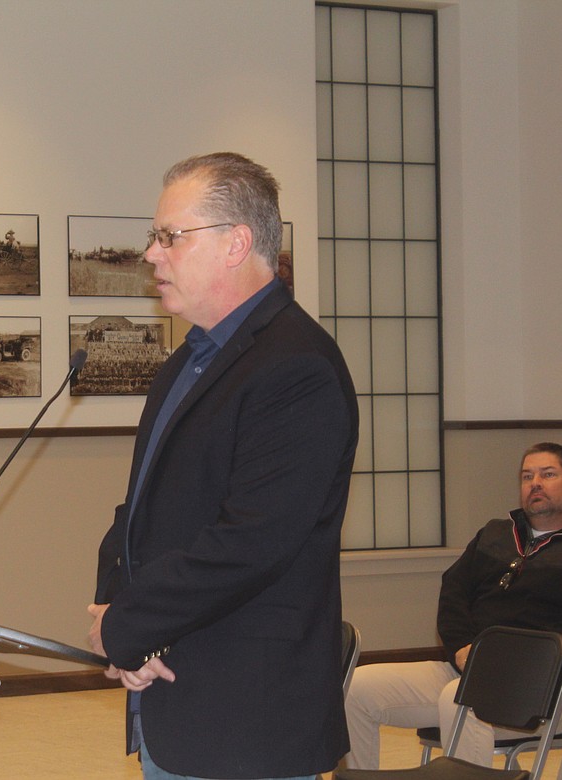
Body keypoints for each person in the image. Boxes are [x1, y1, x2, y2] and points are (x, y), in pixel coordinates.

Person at [87, 152, 359, 779]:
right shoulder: (188, 361)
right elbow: (141, 511)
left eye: (169, 237)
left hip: (246, 716)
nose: (153, 254)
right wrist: (110, 610)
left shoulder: (297, 368)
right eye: (155, 238)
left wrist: (129, 623)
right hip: (171, 696)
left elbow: (252, 542)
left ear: (236, 243)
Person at [344, 442, 562, 769]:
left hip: (548, 691)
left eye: (547, 474)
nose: (535, 483)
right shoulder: (495, 534)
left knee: (461, 701)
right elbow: (453, 593)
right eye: (527, 476)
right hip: (466, 672)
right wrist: (462, 648)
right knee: (357, 689)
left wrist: (502, 663)